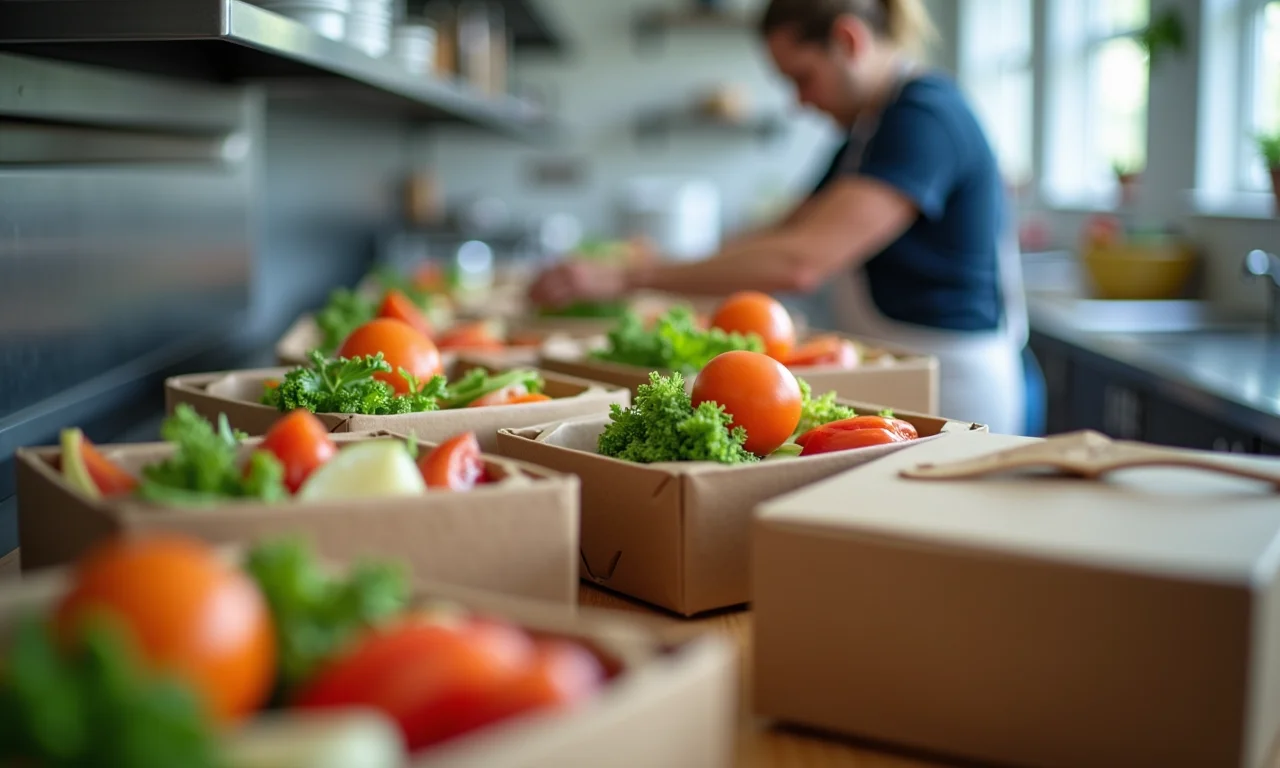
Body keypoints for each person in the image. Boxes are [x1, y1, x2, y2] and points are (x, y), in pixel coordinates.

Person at [529, 0, 1029, 435]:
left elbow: (802, 260)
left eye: (802, 77)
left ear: (848, 40)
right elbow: (780, 233)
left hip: (953, 384)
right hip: (901, 368)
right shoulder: (868, 131)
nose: (800, 101)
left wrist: (628, 277)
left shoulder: (925, 117)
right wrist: (659, 263)